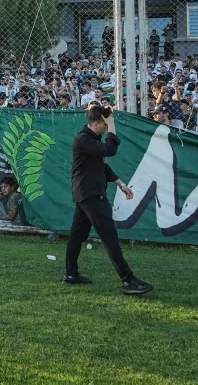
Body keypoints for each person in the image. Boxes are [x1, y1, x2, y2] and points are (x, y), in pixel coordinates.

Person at [64, 104, 153, 295]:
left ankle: (71, 274)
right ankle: (128, 280)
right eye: (105, 126)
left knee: (77, 235)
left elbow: (102, 166)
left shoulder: (90, 139)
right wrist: (111, 122)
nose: (107, 131)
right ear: (97, 124)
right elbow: (110, 150)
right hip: (91, 194)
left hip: (86, 193)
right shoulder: (83, 138)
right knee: (109, 237)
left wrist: (120, 184)